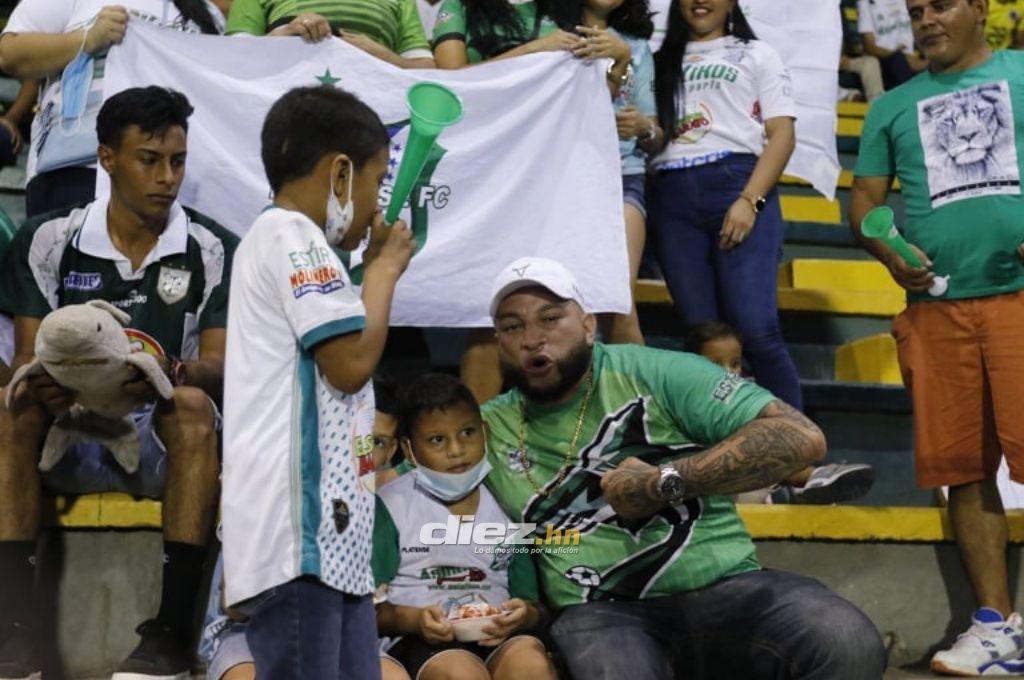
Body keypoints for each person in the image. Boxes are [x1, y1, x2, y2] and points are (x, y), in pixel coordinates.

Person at [480, 255, 887, 679]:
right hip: (600, 610)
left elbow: (802, 438)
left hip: (723, 583)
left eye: (550, 318)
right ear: (498, 341)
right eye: (512, 326)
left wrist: (663, 482)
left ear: (588, 325)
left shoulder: (658, 372)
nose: (531, 338)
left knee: (845, 640)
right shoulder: (486, 427)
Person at [0, 86, 235, 680]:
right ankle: (14, 634)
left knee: (191, 406)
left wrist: (166, 371)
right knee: (9, 409)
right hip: (70, 435)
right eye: (149, 160)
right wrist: (48, 388)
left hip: (159, 440)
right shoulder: (49, 237)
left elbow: (221, 367)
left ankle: (170, 637)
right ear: (106, 158)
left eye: (177, 161)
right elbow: (27, 358)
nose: (167, 178)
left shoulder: (211, 246)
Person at [849, 0, 1024, 675]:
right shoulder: (891, 105)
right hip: (937, 310)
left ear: (980, 8)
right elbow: (864, 202)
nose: (925, 20)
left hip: (1019, 300)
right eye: (915, 10)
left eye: (941, 4)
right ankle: (995, 626)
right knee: (962, 470)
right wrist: (886, 245)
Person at [220, 85, 415, 680]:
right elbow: (350, 363)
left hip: (334, 545)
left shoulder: (298, 245)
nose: (378, 208)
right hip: (298, 536)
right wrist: (383, 269)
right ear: (339, 174)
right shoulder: (290, 234)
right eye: (377, 184)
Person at [650, 0, 804, 413]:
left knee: (757, 329)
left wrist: (749, 200)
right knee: (703, 337)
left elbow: (782, 135)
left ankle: (797, 450)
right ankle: (719, 450)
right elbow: (652, 135)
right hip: (672, 195)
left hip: (738, 183)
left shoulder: (757, 53)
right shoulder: (656, 60)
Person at [373, 372, 557, 680]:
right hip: (418, 638)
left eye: (468, 433)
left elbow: (534, 605)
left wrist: (523, 617)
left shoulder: (509, 500)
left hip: (498, 635)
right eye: (437, 440)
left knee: (531, 665)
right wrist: (416, 620)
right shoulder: (390, 505)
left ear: (485, 431)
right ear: (408, 449)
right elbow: (370, 611)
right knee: (460, 674)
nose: (456, 450)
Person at [0, 0, 224, 218]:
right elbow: (8, 54)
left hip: (176, 183)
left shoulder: (207, 14)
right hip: (79, 170)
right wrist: (86, 40)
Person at [544, 0, 663, 346]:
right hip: (561, 181)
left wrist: (644, 128)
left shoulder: (636, 47)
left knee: (619, 302)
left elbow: (654, 134)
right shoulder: (548, 35)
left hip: (623, 176)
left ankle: (640, 400)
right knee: (570, 304)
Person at [685, 321, 875, 505]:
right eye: (716, 364)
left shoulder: (743, 397)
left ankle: (802, 486)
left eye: (734, 364)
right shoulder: (683, 403)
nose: (729, 373)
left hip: (750, 484)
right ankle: (804, 483)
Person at [225, 0, 435, 68]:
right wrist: (287, 33)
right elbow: (231, 59)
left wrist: (383, 56)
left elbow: (428, 70)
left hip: (371, 121)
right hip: (283, 112)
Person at [857, 0, 928, 89]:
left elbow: (923, 29)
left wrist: (925, 62)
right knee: (898, 61)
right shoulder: (866, 3)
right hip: (886, 60)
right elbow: (870, 47)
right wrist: (903, 57)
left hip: (913, 57)